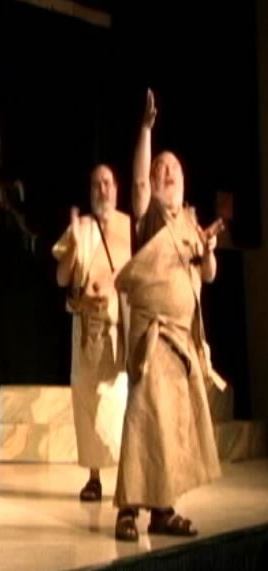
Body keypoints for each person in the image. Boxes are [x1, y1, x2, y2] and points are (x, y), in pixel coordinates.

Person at [112, 89, 224, 541]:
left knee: (172, 429)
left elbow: (208, 276)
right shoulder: (152, 218)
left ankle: (163, 510)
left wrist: (209, 251)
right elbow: (139, 185)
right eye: (161, 168)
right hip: (152, 339)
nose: (167, 172)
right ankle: (127, 510)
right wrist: (146, 131)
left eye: (173, 168)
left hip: (182, 341)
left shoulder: (190, 224)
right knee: (143, 421)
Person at [52, 165, 131, 502]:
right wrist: (73, 245)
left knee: (120, 402)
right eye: (96, 184)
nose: (102, 189)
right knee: (86, 402)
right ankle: (94, 478)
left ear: (117, 188)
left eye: (107, 183)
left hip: (118, 328)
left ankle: (129, 477)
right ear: (90, 190)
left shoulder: (130, 227)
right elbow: (61, 278)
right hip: (86, 328)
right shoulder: (81, 228)